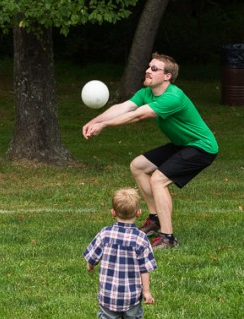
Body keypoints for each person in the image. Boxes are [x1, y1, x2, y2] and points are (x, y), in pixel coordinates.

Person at [82, 53, 219, 249]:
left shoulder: (173, 97)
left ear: (167, 76)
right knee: (138, 166)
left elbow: (136, 116)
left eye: (154, 69)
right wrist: (95, 121)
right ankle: (155, 219)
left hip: (202, 147)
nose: (147, 70)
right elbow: (124, 107)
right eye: (148, 67)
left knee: (158, 180)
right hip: (183, 144)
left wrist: (104, 126)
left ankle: (168, 238)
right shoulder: (146, 93)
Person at [84, 188, 157, 319]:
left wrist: (90, 265)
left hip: (108, 295)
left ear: (113, 212)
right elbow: (145, 268)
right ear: (139, 212)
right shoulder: (141, 239)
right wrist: (147, 292)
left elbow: (92, 256)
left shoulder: (105, 234)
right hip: (132, 296)